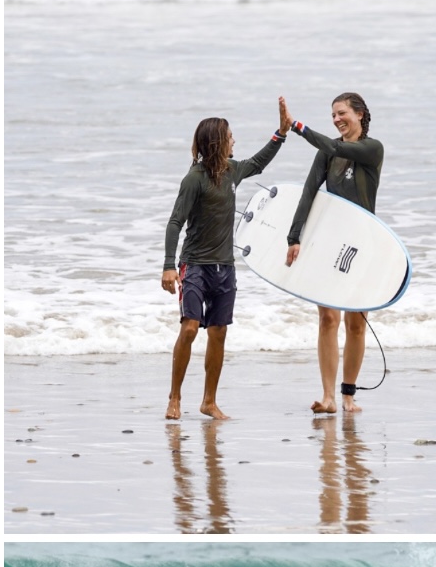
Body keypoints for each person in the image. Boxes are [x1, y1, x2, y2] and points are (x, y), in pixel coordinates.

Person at [161, 98, 291, 421]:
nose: (234, 140)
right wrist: (167, 265)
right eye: (231, 136)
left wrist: (281, 133)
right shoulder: (194, 179)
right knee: (190, 328)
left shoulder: (233, 171)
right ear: (219, 142)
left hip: (225, 268)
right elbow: (175, 221)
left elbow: (259, 162)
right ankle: (175, 397)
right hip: (194, 266)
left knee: (218, 332)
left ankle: (208, 401)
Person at [285, 93, 384, 415]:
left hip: (364, 245)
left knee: (356, 324)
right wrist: (294, 236)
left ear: (359, 114)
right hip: (330, 244)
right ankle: (327, 397)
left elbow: (338, 147)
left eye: (341, 113)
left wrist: (296, 126)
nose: (336, 119)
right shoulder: (326, 153)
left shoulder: (372, 149)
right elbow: (309, 193)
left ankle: (348, 396)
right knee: (328, 318)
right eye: (333, 115)